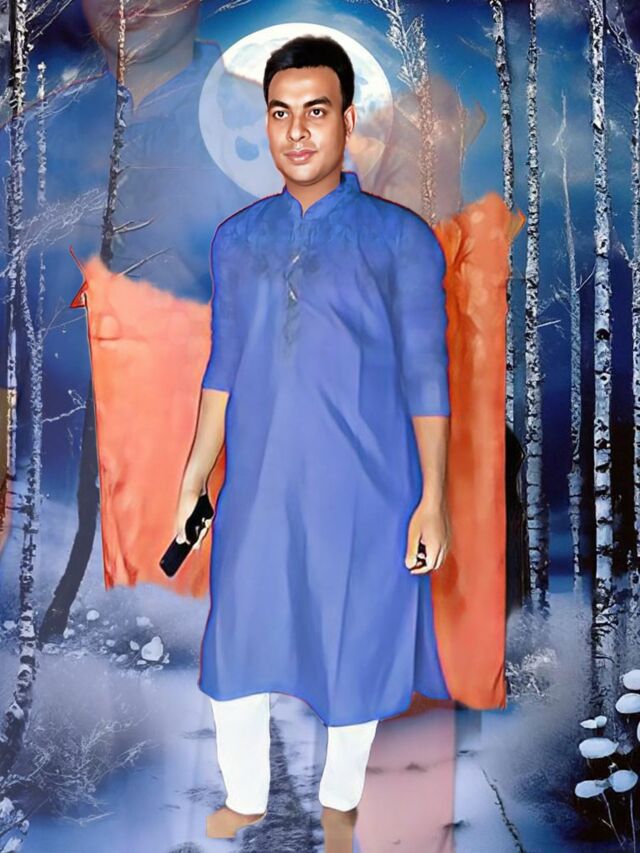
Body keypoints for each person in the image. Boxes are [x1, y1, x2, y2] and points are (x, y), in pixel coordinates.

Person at [174, 34, 451, 843]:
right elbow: (223, 365)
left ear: (349, 121)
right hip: (260, 487)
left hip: (368, 490)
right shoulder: (237, 239)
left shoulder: (400, 238)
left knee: (353, 644)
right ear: (265, 122)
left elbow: (426, 374)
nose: (297, 132)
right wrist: (195, 476)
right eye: (280, 113)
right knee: (238, 640)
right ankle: (247, 797)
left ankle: (339, 800)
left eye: (316, 111)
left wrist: (433, 497)